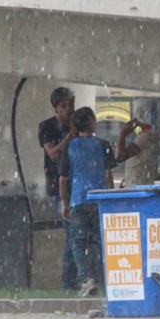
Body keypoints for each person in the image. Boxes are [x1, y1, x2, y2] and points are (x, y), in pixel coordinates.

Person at [59, 107, 116, 297]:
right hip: (99, 199)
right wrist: (110, 196)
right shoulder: (103, 144)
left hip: (78, 200)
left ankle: (86, 278)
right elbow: (108, 174)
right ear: (92, 122)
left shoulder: (70, 146)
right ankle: (100, 278)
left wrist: (64, 202)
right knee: (95, 241)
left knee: (76, 241)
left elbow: (63, 179)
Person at [38, 87, 78, 292]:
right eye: (64, 106)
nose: (69, 109)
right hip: (58, 187)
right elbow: (52, 153)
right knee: (73, 233)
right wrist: (69, 137)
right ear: (56, 108)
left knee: (79, 234)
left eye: (71, 104)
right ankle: (68, 283)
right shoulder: (47, 127)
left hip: (78, 186)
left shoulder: (79, 123)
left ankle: (78, 280)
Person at [115, 99, 160, 188]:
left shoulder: (145, 137)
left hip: (137, 186)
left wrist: (123, 133)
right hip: (139, 184)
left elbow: (120, 157)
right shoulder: (150, 136)